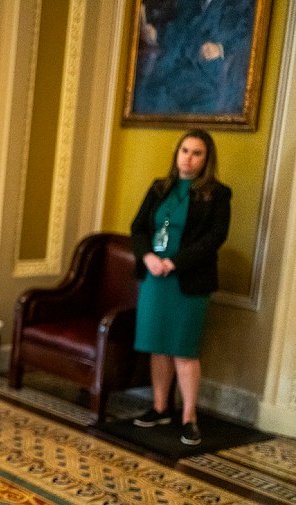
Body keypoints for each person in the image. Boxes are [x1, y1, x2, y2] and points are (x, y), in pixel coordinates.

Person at [130, 129, 231, 446]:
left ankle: (189, 417)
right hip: (154, 279)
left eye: (197, 152)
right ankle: (160, 407)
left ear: (207, 159)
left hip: (188, 281)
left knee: (183, 350)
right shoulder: (160, 187)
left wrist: (174, 262)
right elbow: (138, 227)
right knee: (158, 346)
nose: (188, 157)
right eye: (184, 150)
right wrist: (148, 256)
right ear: (177, 154)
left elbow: (215, 238)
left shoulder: (217, 193)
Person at [133, 0, 254, 114]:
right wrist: (157, 34)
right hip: (179, 68)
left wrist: (221, 48)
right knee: (148, 94)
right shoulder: (190, 3)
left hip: (210, 77)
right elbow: (179, 30)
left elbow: (247, 37)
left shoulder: (240, 4)